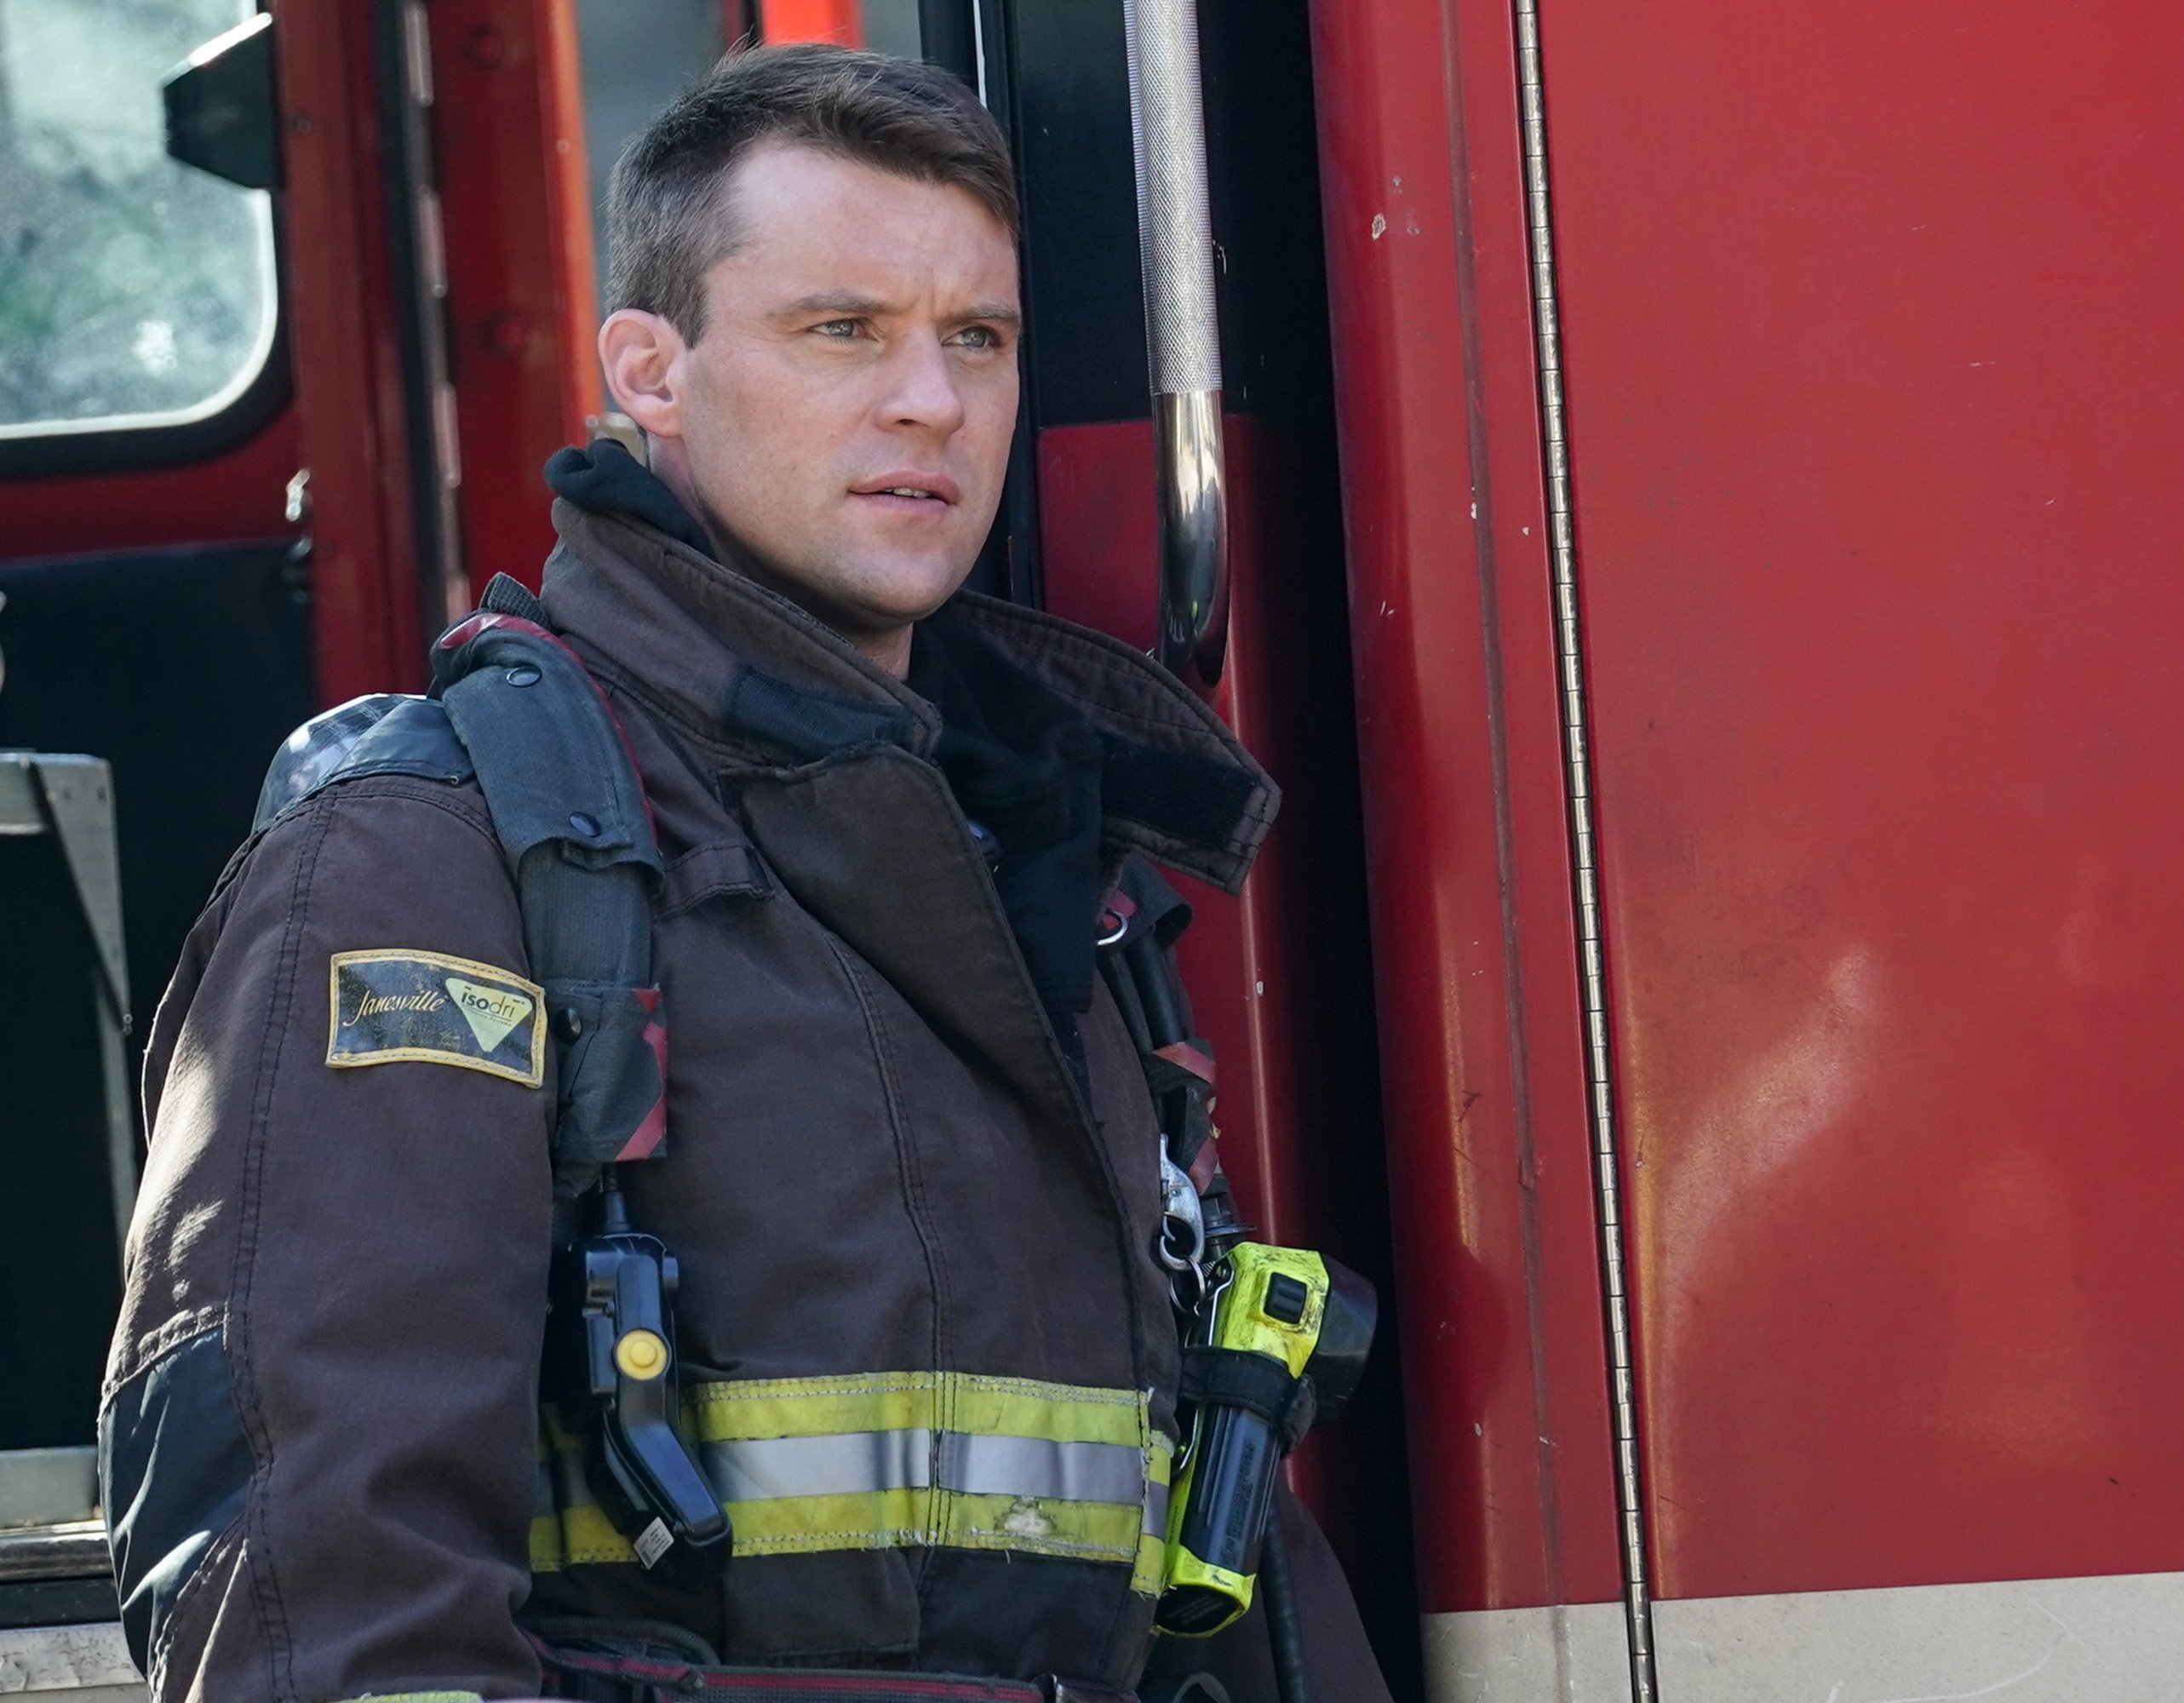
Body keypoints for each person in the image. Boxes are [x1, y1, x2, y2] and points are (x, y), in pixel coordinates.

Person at [98, 44, 1389, 1703]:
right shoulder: (423, 873)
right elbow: (330, 1638)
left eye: (974, 339)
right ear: (650, 370)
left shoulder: (1064, 889)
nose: (930, 398)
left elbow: (1218, 1595)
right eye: (841, 328)